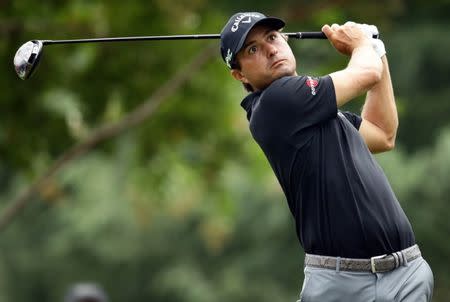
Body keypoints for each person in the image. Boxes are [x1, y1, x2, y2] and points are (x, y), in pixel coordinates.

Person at [220, 12, 434, 301]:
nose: (270, 49)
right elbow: (366, 74)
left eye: (272, 37)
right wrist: (361, 46)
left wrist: (377, 51)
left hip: (406, 273)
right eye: (253, 49)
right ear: (240, 74)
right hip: (341, 285)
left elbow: (382, 133)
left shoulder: (318, 111)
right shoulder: (275, 103)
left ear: (285, 40)